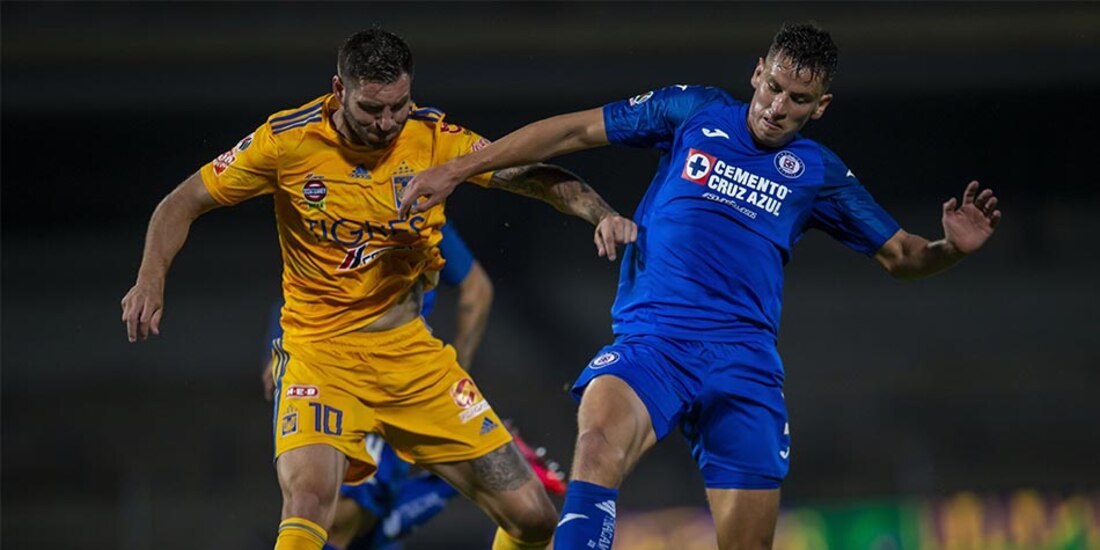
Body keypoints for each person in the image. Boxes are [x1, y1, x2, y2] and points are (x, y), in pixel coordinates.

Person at [397, 22, 1002, 550]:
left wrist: (950, 249)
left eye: (798, 100)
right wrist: (458, 168)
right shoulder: (694, 112)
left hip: (744, 365)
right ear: (757, 72)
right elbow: (575, 132)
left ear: (820, 106)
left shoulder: (818, 173)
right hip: (654, 343)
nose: (777, 108)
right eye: (772, 88)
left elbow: (901, 255)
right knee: (598, 441)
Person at [120, 28, 634, 550]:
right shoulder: (286, 141)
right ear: (338, 90)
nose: (387, 123)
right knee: (310, 502)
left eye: (399, 107)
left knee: (534, 519)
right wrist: (149, 280)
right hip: (321, 356)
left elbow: (536, 175)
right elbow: (181, 201)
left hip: (411, 358)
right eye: (371, 109)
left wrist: (601, 212)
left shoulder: (435, 140)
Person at [259, 221, 566, 549]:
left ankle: (458, 475)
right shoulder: (327, 201)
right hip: (331, 372)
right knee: (353, 524)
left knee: (341, 520)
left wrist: (448, 381)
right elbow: (306, 287)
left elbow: (476, 288)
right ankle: (453, 480)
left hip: (396, 376)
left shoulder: (415, 207)